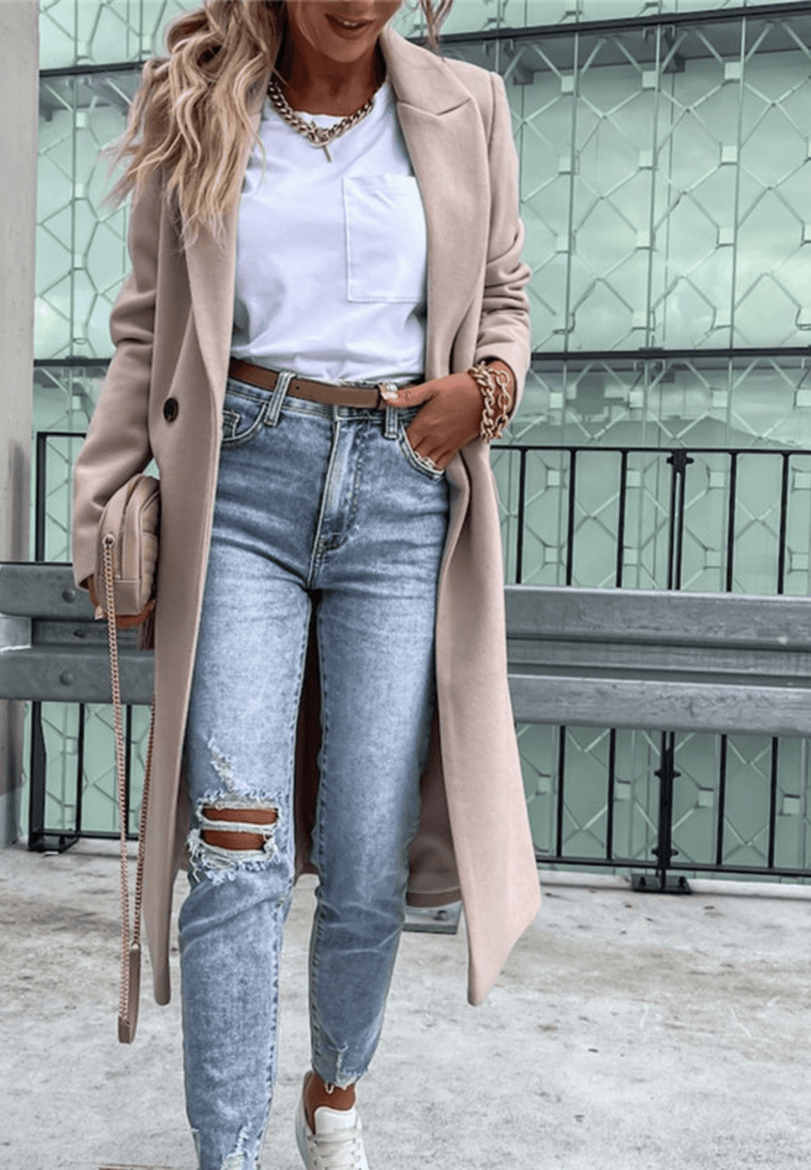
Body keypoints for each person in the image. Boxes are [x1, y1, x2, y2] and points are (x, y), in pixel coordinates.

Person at [73, 2, 540, 1167]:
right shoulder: (192, 90)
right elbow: (146, 329)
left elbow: (506, 304)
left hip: (402, 490)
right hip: (238, 486)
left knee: (371, 857)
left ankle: (332, 1093)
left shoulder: (467, 106)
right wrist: (102, 501)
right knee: (237, 850)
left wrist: (482, 392)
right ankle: (226, 1155)